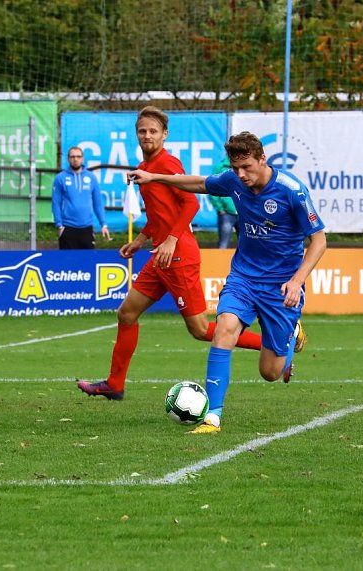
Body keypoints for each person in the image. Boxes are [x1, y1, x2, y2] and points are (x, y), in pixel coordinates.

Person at [76, 108, 300, 401]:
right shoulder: (147, 167)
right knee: (127, 313)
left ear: (164, 135)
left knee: (200, 329)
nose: (147, 136)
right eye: (142, 131)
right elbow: (161, 214)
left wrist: (170, 240)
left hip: (178, 255)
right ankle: (115, 384)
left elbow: (191, 205)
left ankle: (278, 344)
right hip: (160, 255)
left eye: (153, 131)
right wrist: (142, 239)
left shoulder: (167, 164)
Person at [128, 131, 326, 433]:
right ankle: (213, 417)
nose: (240, 175)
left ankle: (289, 338)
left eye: (246, 167)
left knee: (270, 372)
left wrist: (298, 280)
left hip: (281, 286)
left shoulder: (291, 191)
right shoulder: (234, 181)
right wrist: (154, 177)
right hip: (243, 278)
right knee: (224, 329)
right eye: (235, 168)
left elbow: (319, 240)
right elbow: (198, 183)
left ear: (262, 159)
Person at [51, 146, 110, 249]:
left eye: (78, 156)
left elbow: (98, 202)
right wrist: (59, 225)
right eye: (72, 156)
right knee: (68, 263)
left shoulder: (91, 177)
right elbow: (56, 203)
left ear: (82, 158)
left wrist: (103, 224)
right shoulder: (60, 178)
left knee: (87, 262)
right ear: (68, 159)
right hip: (67, 227)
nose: (75, 159)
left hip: (86, 228)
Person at [209, 158, 238, 248]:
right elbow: (211, 187)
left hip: (243, 212)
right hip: (227, 213)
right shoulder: (220, 167)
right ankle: (219, 262)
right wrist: (220, 208)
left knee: (246, 244)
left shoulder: (245, 166)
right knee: (223, 243)